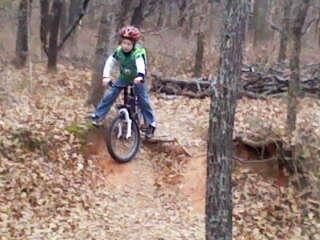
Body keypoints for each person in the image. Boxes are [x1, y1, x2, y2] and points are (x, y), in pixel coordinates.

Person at [91, 25, 156, 138]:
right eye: (124, 43)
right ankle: (98, 116)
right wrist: (106, 76)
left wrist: (140, 76)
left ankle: (151, 124)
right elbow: (110, 62)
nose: (126, 46)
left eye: (129, 44)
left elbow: (140, 64)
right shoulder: (119, 51)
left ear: (134, 44)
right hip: (124, 77)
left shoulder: (138, 52)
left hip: (137, 78)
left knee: (143, 100)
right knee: (111, 94)